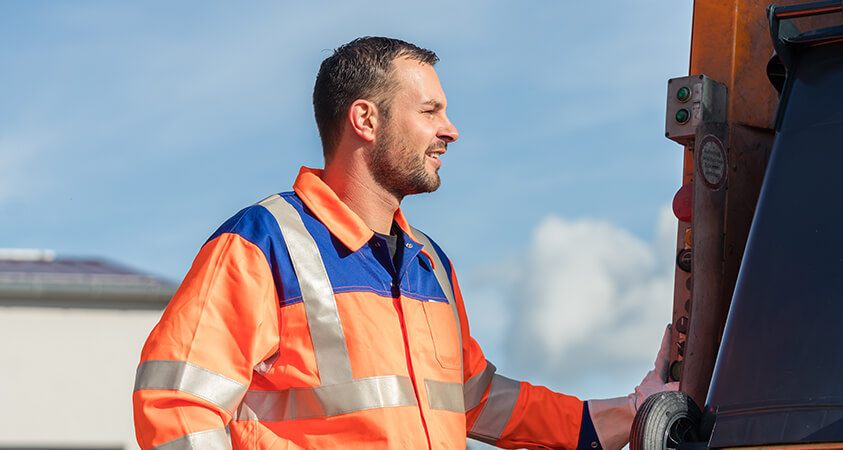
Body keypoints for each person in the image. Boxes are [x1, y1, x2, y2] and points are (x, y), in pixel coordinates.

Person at [132, 36, 675, 450]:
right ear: (366, 119)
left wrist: (633, 411)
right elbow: (176, 402)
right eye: (430, 111)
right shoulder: (262, 244)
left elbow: (478, 400)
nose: (451, 129)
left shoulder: (428, 264)